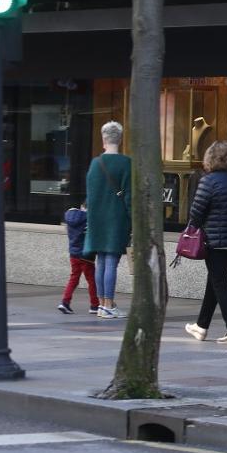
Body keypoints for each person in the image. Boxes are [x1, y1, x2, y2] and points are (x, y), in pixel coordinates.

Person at [184, 142, 227, 344]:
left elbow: (196, 211)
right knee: (215, 280)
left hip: (215, 239)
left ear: (209, 159)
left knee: (219, 282)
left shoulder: (209, 180)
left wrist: (191, 228)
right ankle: (201, 326)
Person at [84, 121, 131, 319]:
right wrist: (133, 220)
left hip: (97, 220)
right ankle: (109, 305)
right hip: (116, 219)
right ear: (120, 139)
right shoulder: (126, 162)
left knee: (101, 262)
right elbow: (129, 195)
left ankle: (102, 303)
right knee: (111, 261)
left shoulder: (95, 163)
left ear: (103, 139)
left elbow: (90, 195)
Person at [58, 202, 98, 315]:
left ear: (81, 207)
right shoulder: (88, 219)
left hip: (73, 254)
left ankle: (65, 302)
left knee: (74, 278)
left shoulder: (69, 217)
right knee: (91, 281)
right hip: (86, 255)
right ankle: (94, 305)